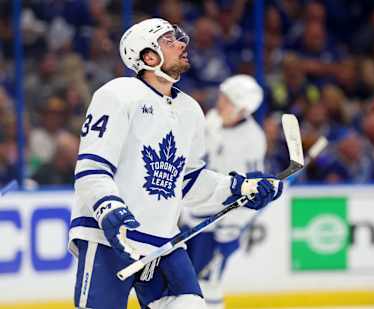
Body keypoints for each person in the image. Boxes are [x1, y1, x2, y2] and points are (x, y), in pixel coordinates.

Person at [68, 18, 283, 309]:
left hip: (163, 241)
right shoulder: (117, 94)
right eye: (170, 41)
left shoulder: (190, 110)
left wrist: (240, 187)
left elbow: (189, 181)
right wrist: (108, 206)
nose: (182, 44)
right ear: (149, 56)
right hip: (109, 237)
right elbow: (92, 167)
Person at [182, 74, 266, 308]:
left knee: (207, 284)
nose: (220, 103)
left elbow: (253, 189)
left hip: (221, 225)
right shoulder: (212, 120)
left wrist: (234, 226)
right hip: (194, 216)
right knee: (182, 282)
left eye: (227, 100)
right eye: (222, 97)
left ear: (242, 109)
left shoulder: (252, 139)